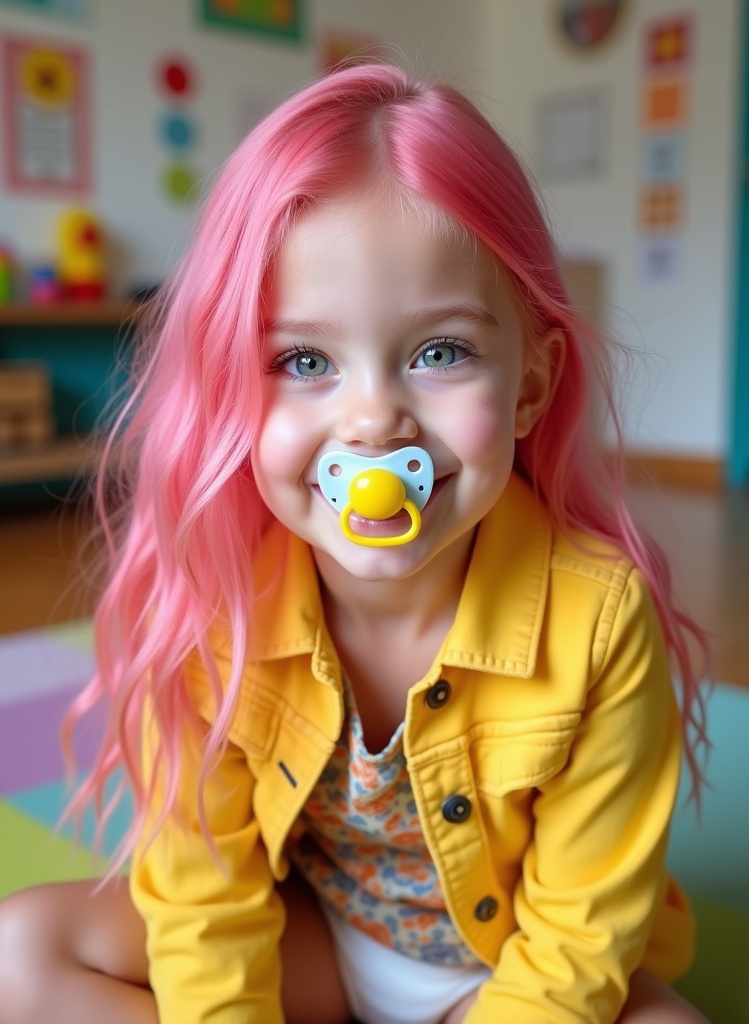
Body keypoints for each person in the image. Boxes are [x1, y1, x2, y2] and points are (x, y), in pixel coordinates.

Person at [0, 64, 711, 1024]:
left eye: (440, 352)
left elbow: (584, 938)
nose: (374, 423)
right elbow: (204, 895)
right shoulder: (224, 607)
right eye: (305, 362)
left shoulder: (599, 618)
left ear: (530, 387)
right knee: (21, 952)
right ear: (233, 395)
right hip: (319, 947)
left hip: (509, 976)